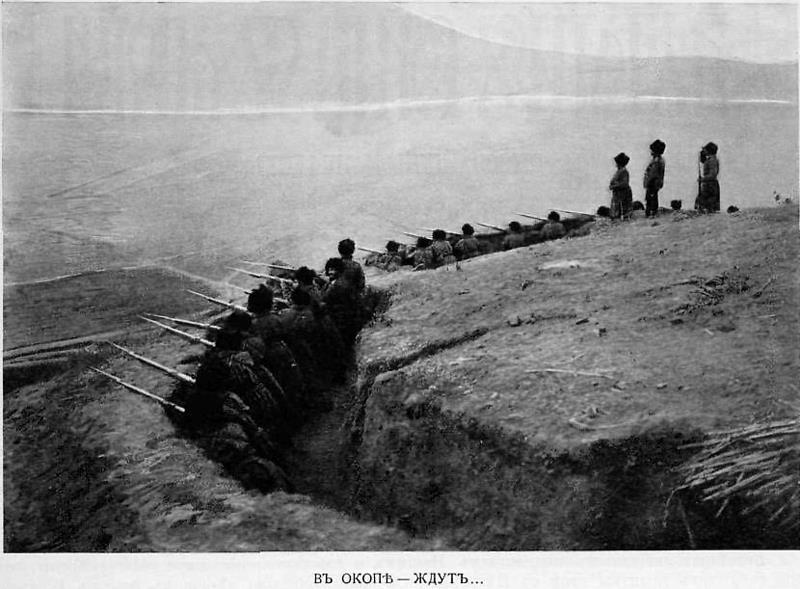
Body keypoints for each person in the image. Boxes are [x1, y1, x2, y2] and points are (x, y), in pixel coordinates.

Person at [643, 139, 666, 217]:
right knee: (653, 197)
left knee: (651, 197)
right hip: (656, 182)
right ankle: (652, 211)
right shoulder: (660, 160)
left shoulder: (656, 161)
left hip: (653, 182)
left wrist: (647, 182)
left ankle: (651, 212)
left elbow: (653, 173)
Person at [695, 142, 720, 213]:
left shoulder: (712, 160)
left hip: (710, 185)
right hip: (708, 184)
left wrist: (702, 179)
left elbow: (713, 174)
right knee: (704, 204)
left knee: (707, 205)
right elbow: (704, 162)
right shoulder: (710, 159)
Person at [609, 152, 633, 219]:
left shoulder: (624, 171)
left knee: (623, 206)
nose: (616, 164)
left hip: (623, 193)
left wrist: (614, 186)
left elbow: (624, 183)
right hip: (618, 193)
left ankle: (623, 217)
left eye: (617, 163)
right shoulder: (619, 171)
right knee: (618, 206)